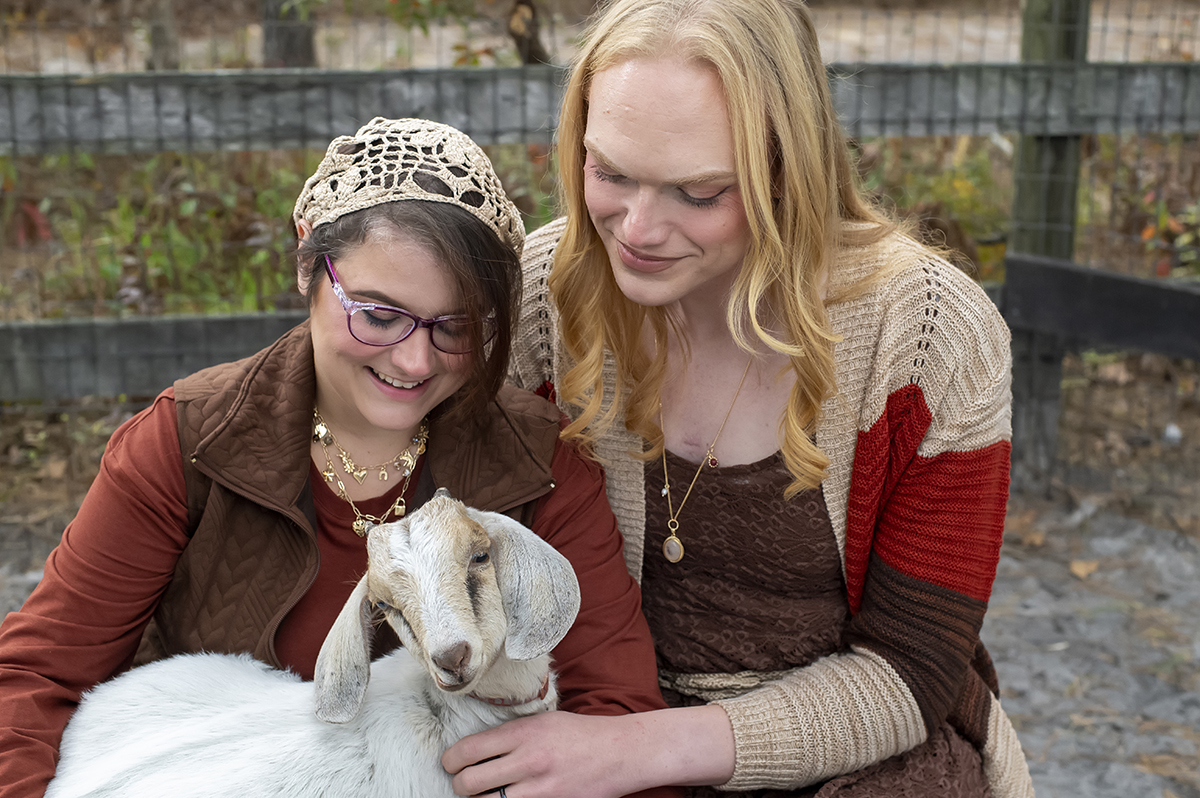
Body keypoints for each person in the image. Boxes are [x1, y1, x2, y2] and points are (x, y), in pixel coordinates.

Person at [443, 1, 1036, 797]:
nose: (637, 229)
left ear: (787, 168)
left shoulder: (929, 335)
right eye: (610, 173)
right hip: (594, 711)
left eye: (698, 191)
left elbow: (911, 668)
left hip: (861, 748)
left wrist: (640, 750)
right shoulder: (547, 299)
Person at [0, 117, 677, 798]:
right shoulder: (186, 444)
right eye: (378, 315)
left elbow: (618, 717)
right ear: (307, 263)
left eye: (457, 326)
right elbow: (33, 680)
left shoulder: (542, 463)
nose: (415, 361)